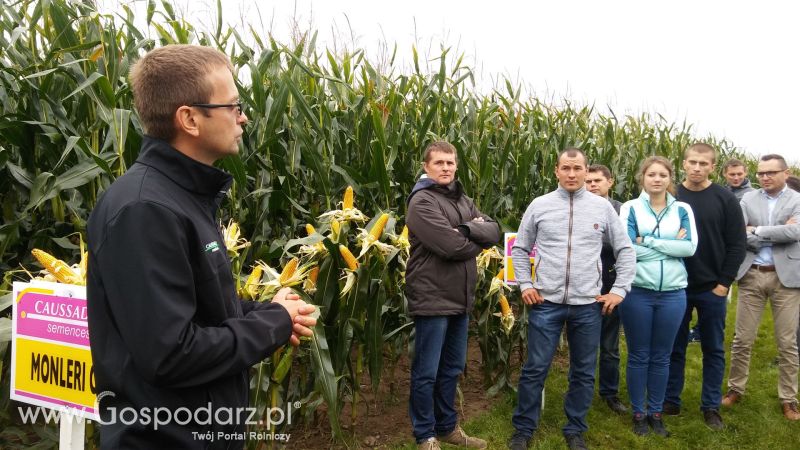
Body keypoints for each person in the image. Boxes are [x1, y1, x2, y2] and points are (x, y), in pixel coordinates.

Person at [86, 45, 317, 449]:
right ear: (190, 119)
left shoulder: (181, 198)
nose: (243, 116)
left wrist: (273, 312)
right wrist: (272, 324)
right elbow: (171, 353)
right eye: (233, 106)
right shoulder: (146, 210)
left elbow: (199, 311)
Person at [508, 148, 636, 450]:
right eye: (566, 167)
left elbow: (625, 249)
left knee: (582, 370)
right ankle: (523, 429)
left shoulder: (601, 208)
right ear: (556, 170)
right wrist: (525, 282)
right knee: (535, 367)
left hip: (587, 305)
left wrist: (619, 290)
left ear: (585, 170)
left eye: (577, 168)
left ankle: (575, 428)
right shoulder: (540, 206)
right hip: (545, 302)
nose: (572, 174)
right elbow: (520, 248)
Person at [405, 141, 500, 450]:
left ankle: (447, 428)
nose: (446, 167)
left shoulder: (463, 198)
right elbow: (451, 247)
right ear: (426, 167)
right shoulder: (422, 202)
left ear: (456, 166)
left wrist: (466, 231)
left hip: (461, 297)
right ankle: (425, 435)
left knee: (452, 368)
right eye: (439, 163)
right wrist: (474, 234)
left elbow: (495, 230)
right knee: (427, 371)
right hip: (432, 296)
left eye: (450, 162)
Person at [663, 143, 747, 431]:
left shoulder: (725, 199)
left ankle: (710, 406)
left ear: (713, 166)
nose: (697, 168)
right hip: (676, 286)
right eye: (692, 162)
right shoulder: (670, 196)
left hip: (712, 287)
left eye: (703, 163)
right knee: (674, 346)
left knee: (713, 349)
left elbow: (737, 245)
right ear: (683, 163)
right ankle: (670, 399)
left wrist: (724, 284)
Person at [618, 157, 698, 437]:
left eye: (662, 174)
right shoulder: (629, 208)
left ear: (669, 178)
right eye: (651, 174)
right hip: (638, 292)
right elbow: (627, 249)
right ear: (643, 178)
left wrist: (647, 241)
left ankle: (656, 411)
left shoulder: (683, 209)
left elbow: (689, 248)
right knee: (639, 355)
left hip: (673, 293)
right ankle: (639, 412)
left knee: (662, 357)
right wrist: (669, 246)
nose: (657, 179)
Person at [721, 154, 800, 420]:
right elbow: (737, 234)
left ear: (785, 173)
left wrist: (757, 230)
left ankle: (789, 398)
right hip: (752, 275)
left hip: (786, 277)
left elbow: (796, 232)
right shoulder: (748, 199)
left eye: (770, 173)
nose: (764, 177)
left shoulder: (797, 199)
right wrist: (771, 231)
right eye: (760, 173)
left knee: (787, 342)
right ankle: (735, 389)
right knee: (742, 339)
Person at [585, 164, 626, 415]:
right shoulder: (577, 207)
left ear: (610, 182)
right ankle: (580, 390)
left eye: (598, 180)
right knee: (583, 345)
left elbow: (623, 245)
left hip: (612, 285)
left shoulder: (622, 210)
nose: (592, 185)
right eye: (588, 181)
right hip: (583, 286)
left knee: (610, 346)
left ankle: (609, 393)